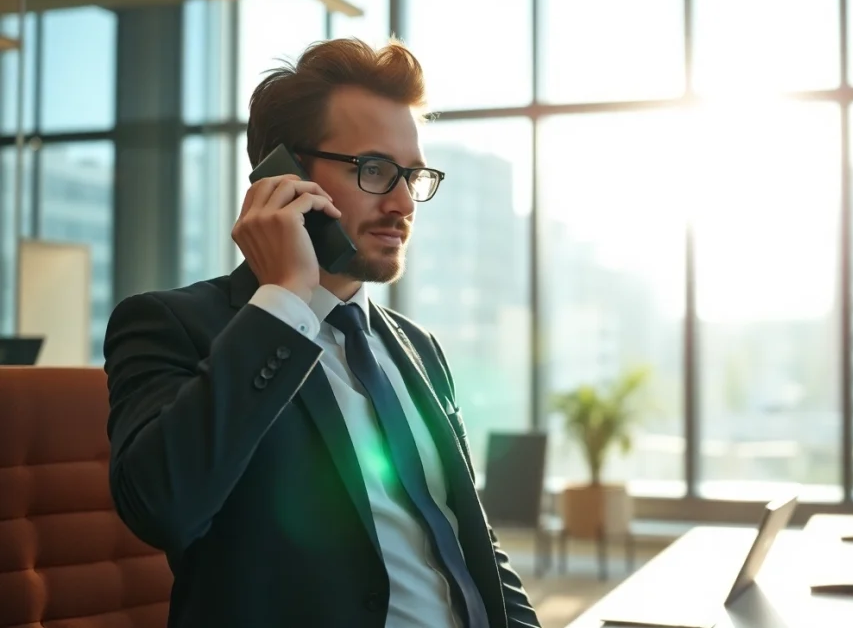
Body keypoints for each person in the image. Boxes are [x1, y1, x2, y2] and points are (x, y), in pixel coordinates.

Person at [103, 37, 541, 628]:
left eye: (412, 175)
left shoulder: (417, 347)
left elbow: (473, 543)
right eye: (376, 170)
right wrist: (283, 299)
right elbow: (162, 506)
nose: (404, 202)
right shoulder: (173, 324)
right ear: (282, 176)